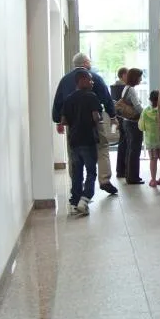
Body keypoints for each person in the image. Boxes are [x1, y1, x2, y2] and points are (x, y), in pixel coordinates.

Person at [52, 52, 118, 195]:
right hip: (93, 121)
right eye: (89, 61)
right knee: (102, 147)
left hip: (72, 122)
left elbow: (58, 101)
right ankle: (104, 179)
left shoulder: (65, 80)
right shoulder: (94, 78)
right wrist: (112, 116)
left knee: (73, 152)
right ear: (86, 63)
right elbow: (106, 98)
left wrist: (58, 121)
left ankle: (76, 182)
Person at [59, 70, 101, 216]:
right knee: (91, 171)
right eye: (90, 80)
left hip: (74, 141)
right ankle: (85, 199)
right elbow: (96, 117)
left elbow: (64, 121)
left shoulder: (69, 99)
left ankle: (74, 203)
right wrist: (98, 118)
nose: (92, 82)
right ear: (81, 80)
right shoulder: (92, 96)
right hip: (88, 139)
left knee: (77, 173)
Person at [138, 90, 160, 187]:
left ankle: (153, 180)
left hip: (150, 141)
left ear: (150, 100)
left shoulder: (145, 111)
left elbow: (141, 127)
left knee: (153, 160)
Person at [122, 68, 144, 184]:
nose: (141, 79)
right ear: (135, 77)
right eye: (140, 76)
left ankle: (129, 175)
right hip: (134, 123)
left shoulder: (126, 88)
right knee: (135, 150)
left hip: (127, 122)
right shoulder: (132, 90)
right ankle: (133, 177)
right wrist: (146, 113)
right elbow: (138, 106)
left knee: (130, 149)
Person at [110, 67, 128, 178]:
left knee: (122, 143)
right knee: (124, 144)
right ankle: (122, 170)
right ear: (123, 75)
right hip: (124, 118)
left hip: (118, 117)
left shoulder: (114, 87)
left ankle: (120, 170)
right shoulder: (122, 88)